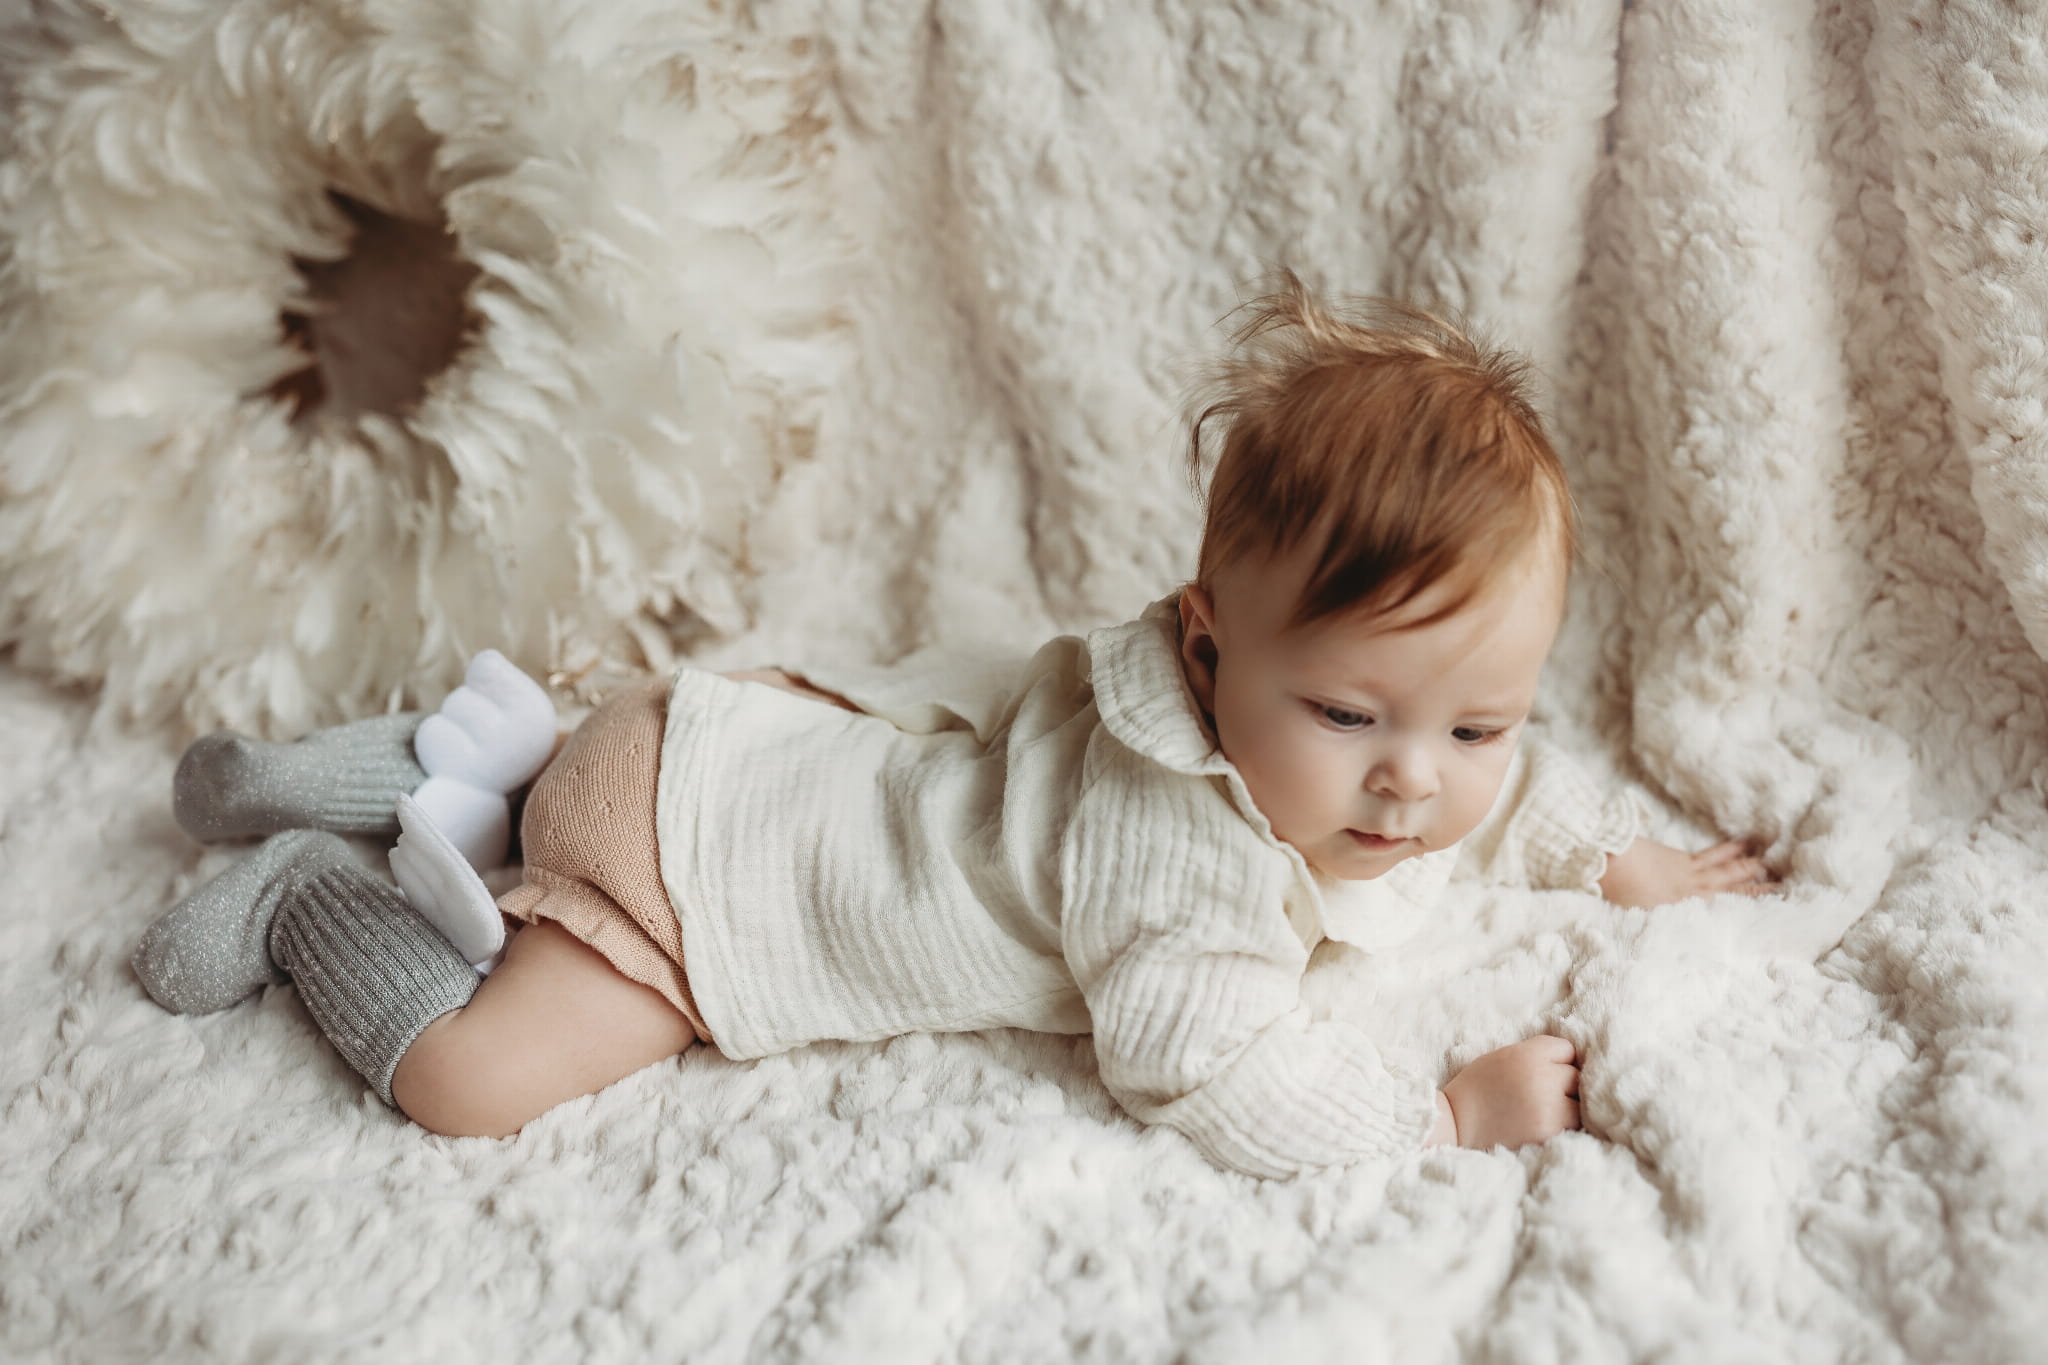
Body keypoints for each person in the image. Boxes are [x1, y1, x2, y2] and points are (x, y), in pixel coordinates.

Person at [132, 274, 1778, 1178]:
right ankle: (306, 894)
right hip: (695, 878)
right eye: (1350, 712)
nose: (1415, 782)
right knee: (471, 1082)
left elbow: (1498, 777)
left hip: (716, 732)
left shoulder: (1349, 756)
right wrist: (1444, 1115)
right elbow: (1210, 1068)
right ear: (1206, 645)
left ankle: (382, 766)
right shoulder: (1174, 853)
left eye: (1478, 726)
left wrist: (1610, 854)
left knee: (573, 768)